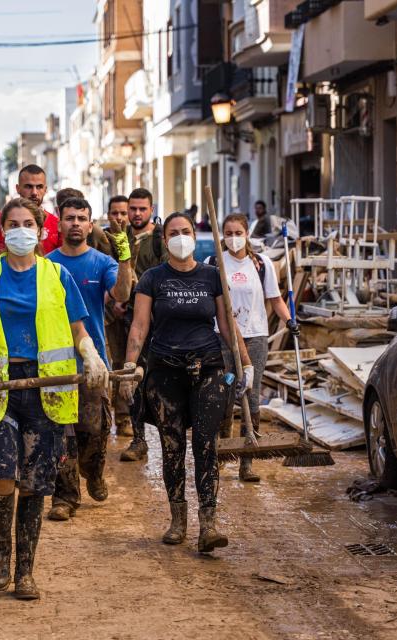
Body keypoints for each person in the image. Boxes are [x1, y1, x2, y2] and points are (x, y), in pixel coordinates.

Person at [0, 197, 108, 600]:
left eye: (28, 223)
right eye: (13, 223)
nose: (20, 230)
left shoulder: (57, 275)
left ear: (40, 231)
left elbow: (78, 329)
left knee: (38, 484)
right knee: (2, 474)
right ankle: (2, 548)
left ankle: (25, 570)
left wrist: (90, 355)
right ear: (2, 231)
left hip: (46, 390)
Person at [121, 212, 252, 553]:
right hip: (164, 370)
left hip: (207, 367)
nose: (180, 237)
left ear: (195, 236)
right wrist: (129, 366)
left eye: (186, 231)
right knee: (172, 446)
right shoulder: (152, 278)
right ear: (164, 241)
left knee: (206, 445)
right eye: (173, 233)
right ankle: (178, 519)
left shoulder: (212, 276)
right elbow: (139, 326)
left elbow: (226, 324)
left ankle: (208, 524)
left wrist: (245, 362)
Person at [46, 197, 133, 521]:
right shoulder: (47, 264)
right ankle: (65, 497)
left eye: (82, 218)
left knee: (94, 432)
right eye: (70, 218)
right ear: (61, 222)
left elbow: (122, 294)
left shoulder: (102, 262)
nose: (76, 224)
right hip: (55, 362)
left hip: (93, 362)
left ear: (91, 223)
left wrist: (124, 256)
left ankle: (93, 471)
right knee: (60, 433)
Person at [206, 213, 300, 482]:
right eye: (228, 232)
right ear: (222, 235)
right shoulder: (214, 264)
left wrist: (290, 321)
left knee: (251, 393)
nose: (233, 238)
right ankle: (222, 453)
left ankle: (247, 461)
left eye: (238, 232)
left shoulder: (261, 264)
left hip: (255, 337)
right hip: (222, 338)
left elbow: (276, 299)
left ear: (247, 234)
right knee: (223, 393)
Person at [120, 187, 167, 462]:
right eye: (133, 208)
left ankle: (166, 436)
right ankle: (138, 440)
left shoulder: (159, 239)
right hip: (127, 318)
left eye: (142, 209)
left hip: (157, 321)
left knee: (159, 380)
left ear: (151, 209)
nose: (137, 213)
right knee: (131, 377)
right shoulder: (120, 237)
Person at [0, 165, 60, 264]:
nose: (34, 192)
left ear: (45, 190)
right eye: (28, 186)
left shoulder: (56, 224)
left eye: (39, 187)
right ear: (18, 188)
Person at [103, 195, 134, 436]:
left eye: (124, 213)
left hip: (136, 311)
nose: (120, 218)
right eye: (115, 213)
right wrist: (113, 299)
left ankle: (125, 418)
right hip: (107, 311)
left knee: (129, 363)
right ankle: (107, 414)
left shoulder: (140, 238)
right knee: (110, 361)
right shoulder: (101, 238)